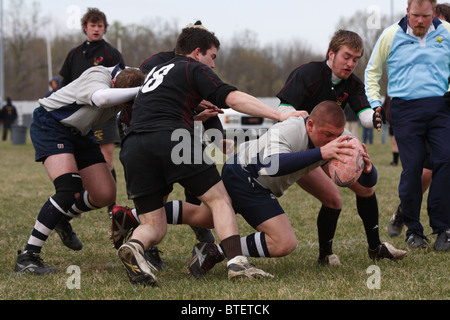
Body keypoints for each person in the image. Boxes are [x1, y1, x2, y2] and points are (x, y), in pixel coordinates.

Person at [117, 23, 304, 286]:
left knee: (154, 225)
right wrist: (279, 114)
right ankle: (237, 263)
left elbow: (159, 107)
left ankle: (135, 246)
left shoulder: (156, 71)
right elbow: (233, 98)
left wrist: (194, 112)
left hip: (133, 145)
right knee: (220, 201)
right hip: (172, 138)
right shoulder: (190, 67)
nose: (212, 65)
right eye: (212, 57)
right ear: (197, 52)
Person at [171, 101, 406, 278]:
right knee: (284, 242)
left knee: (205, 216)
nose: (332, 140)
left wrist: (366, 169)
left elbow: (365, 185)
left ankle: (142, 216)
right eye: (327, 135)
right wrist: (322, 153)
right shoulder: (291, 129)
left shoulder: (340, 138)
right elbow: (272, 166)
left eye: (337, 135)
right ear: (310, 124)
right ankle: (217, 251)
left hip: (249, 175)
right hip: (246, 175)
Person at [13, 65, 145, 274]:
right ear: (113, 84)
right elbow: (102, 99)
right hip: (51, 124)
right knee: (68, 189)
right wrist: (142, 90)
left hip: (80, 132)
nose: (118, 107)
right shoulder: (98, 75)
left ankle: (63, 218)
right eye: (119, 103)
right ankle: (28, 257)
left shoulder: (130, 76)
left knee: (105, 194)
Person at [275, 30, 387, 264]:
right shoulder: (307, 73)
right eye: (346, 56)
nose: (350, 63)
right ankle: (325, 254)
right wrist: (302, 122)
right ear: (332, 53)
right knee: (331, 199)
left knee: (363, 190)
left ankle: (373, 248)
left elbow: (363, 112)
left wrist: (374, 117)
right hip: (299, 148)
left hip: (328, 145)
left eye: (356, 59)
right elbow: (282, 110)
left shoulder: (353, 84)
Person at [365, 0, 450, 251]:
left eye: (425, 16)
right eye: (415, 16)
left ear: (433, 12)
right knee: (413, 167)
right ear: (407, 12)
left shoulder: (446, 32)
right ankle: (413, 230)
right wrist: (374, 103)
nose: (420, 21)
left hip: (440, 107)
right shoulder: (390, 35)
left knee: (445, 160)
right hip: (404, 109)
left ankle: (443, 228)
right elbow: (372, 71)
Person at [58, 7, 127, 249]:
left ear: (104, 28)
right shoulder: (75, 54)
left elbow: (122, 81)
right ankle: (78, 202)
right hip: (78, 115)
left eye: (100, 25)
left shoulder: (111, 52)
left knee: (106, 159)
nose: (96, 29)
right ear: (85, 27)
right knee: (77, 162)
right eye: (92, 25)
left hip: (103, 115)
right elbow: (64, 83)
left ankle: (111, 206)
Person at [387, 2, 448, 239]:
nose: (425, 23)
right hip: (422, 112)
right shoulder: (405, 40)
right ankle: (405, 212)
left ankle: (443, 226)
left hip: (443, 112)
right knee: (421, 172)